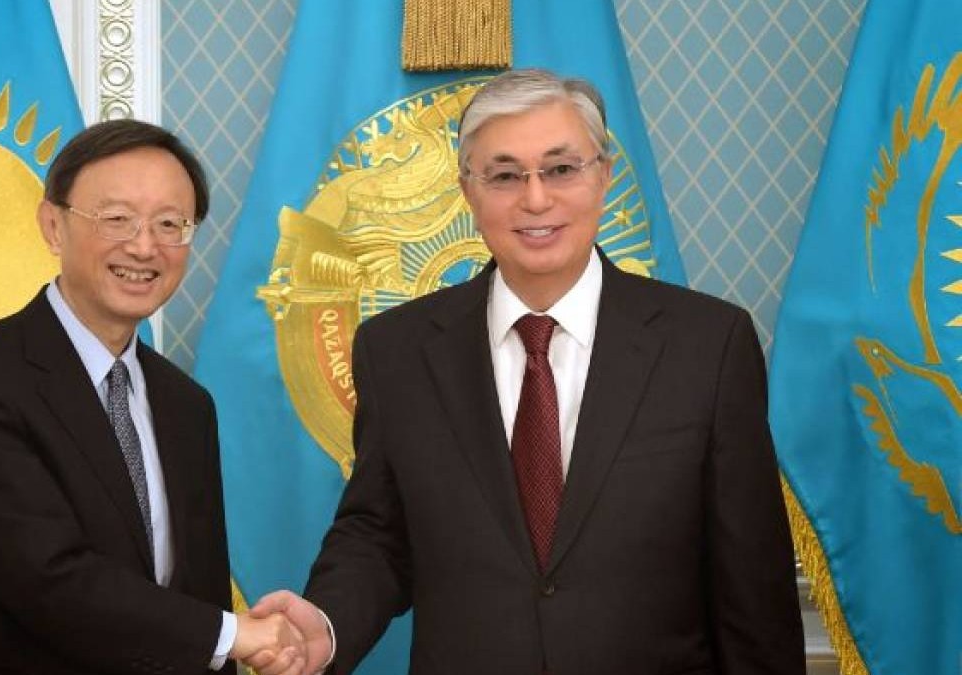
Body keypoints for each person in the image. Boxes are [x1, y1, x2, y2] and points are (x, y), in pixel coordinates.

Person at [252, 69, 806, 674]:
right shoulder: (396, 350)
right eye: (505, 175)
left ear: (603, 176)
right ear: (468, 191)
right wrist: (327, 624)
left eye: (561, 169)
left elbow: (752, 583)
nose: (536, 199)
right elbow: (379, 533)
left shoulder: (708, 345)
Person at [0, 119, 305, 675]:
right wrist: (235, 635)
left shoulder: (187, 404)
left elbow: (199, 595)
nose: (144, 246)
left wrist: (235, 643)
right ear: (53, 226)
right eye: (117, 218)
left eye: (169, 224)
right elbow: (45, 580)